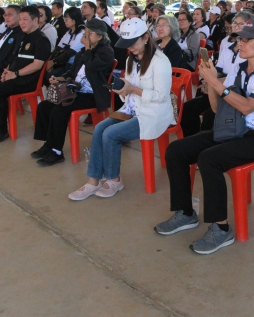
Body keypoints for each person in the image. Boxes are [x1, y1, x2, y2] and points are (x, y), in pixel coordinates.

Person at [154, 18, 254, 255]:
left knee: (209, 159)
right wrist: (211, 84)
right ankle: (185, 212)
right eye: (240, 38)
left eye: (247, 39)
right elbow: (216, 108)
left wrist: (216, 83)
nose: (240, 43)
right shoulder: (239, 67)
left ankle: (221, 228)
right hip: (231, 129)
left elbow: (247, 107)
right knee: (176, 150)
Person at [68, 17, 174, 200]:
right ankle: (93, 181)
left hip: (152, 113)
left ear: (146, 38)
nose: (130, 48)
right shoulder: (132, 59)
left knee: (111, 134)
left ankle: (114, 180)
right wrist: (123, 90)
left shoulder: (160, 61)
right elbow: (129, 91)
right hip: (133, 109)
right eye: (127, 44)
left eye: (133, 43)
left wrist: (132, 89)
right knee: (99, 128)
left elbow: (161, 97)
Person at [32, 18, 115, 166]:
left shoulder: (106, 51)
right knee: (44, 106)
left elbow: (92, 66)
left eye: (90, 33)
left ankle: (56, 151)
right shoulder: (82, 52)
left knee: (60, 109)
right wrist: (60, 78)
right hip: (76, 91)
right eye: (85, 32)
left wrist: (88, 48)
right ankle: (48, 144)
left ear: (100, 36)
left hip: (92, 95)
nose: (86, 35)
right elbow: (72, 71)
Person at [0, 5, 51, 144]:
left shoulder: (41, 40)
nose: (22, 22)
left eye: (25, 19)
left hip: (28, 81)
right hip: (14, 75)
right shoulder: (23, 36)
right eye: (20, 19)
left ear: (35, 20)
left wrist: (15, 74)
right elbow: (13, 59)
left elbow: (37, 65)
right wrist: (6, 72)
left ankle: (1, 131)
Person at [46, 7, 85, 81]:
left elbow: (70, 53)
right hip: (63, 63)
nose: (65, 21)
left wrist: (53, 62)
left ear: (74, 19)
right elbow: (58, 48)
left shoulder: (81, 33)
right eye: (64, 19)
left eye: (67, 19)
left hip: (72, 65)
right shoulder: (68, 33)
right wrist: (50, 61)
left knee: (50, 76)